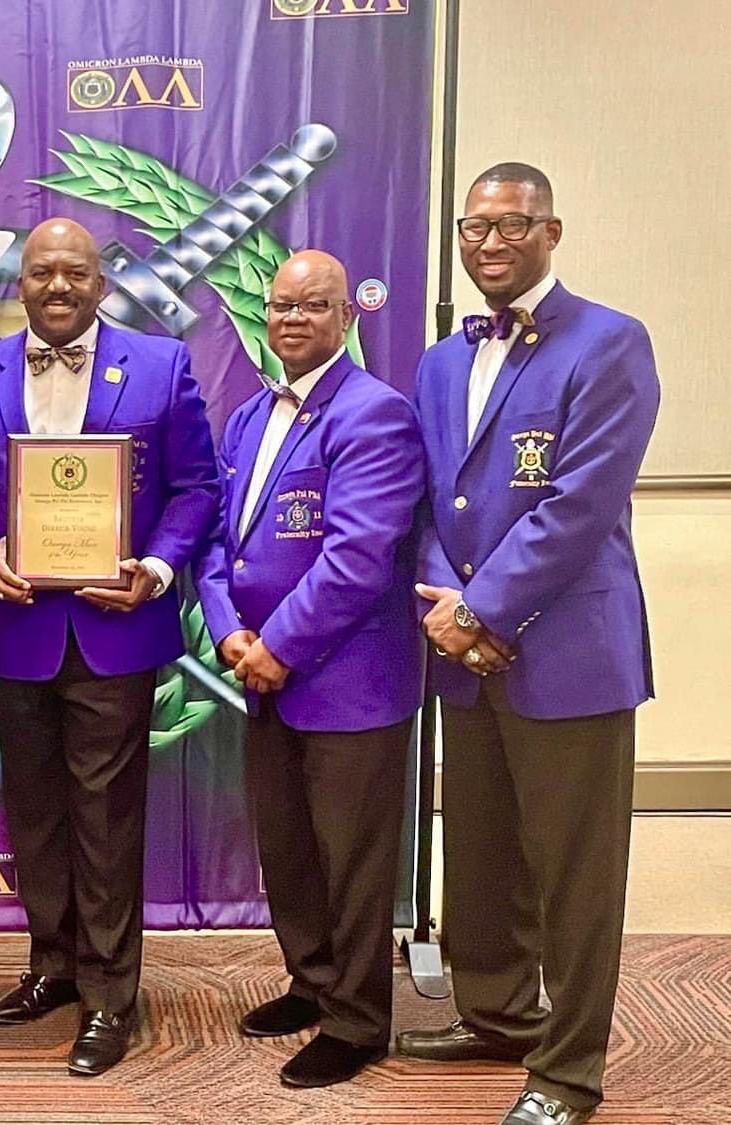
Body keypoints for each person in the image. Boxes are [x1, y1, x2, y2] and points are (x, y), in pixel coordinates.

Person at [398, 163, 659, 1125]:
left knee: (575, 875)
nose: (492, 243)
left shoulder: (609, 341)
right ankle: (497, 1012)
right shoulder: (437, 360)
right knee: (483, 851)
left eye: (514, 225)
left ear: (553, 231)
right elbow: (430, 498)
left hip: (569, 651)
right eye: (476, 227)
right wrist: (450, 605)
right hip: (464, 650)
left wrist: (482, 611)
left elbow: (580, 505)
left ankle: (567, 1070)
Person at [0, 217, 218, 1075]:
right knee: (38, 815)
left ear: (101, 283)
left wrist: (159, 568)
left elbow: (196, 488)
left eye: (75, 274)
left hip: (115, 629)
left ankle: (108, 995)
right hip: (21, 632)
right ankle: (52, 965)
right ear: (18, 283)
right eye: (40, 273)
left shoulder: (162, 364)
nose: (57, 287)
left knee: (105, 818)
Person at [194, 250, 424, 1087]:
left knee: (352, 860)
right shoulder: (251, 415)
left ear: (345, 318)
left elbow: (358, 558)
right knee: (288, 849)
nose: (292, 319)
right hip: (261, 674)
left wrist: (278, 647)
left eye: (313, 306)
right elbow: (219, 542)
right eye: (281, 305)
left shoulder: (376, 414)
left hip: (348, 681)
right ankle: (313, 981)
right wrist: (227, 632)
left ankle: (359, 1021)